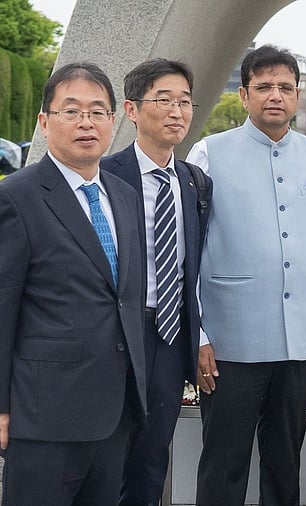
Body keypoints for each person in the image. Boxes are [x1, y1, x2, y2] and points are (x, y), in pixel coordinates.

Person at [186, 44, 306, 506]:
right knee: (223, 465)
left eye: (285, 87)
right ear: (243, 95)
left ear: (298, 95)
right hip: (230, 344)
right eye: (263, 87)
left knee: (285, 467)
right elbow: (188, 254)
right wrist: (197, 334)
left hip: (301, 343)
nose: (275, 96)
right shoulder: (208, 154)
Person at [0, 62, 147, 505]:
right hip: (44, 416)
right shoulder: (16, 197)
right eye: (72, 111)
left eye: (98, 111)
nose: (87, 122)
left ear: (113, 120)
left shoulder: (123, 195)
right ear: (45, 123)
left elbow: (126, 299)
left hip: (115, 412)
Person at [100, 58, 212, 506]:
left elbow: (198, 267)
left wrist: (201, 334)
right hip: (116, 337)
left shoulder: (193, 182)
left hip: (170, 336)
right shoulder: (105, 176)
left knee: (152, 458)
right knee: (107, 456)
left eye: (184, 101)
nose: (176, 112)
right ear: (131, 109)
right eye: (163, 100)